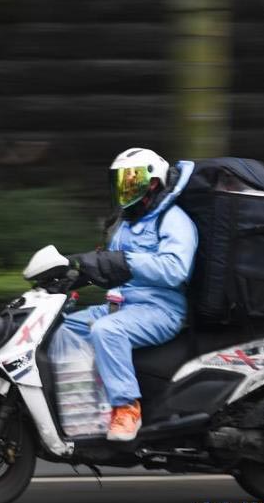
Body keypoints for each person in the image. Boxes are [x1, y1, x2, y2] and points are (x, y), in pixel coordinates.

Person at [64, 148, 198, 441]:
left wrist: (126, 261)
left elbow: (176, 270)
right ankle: (81, 404)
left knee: (107, 331)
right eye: (121, 180)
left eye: (132, 179)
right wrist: (75, 275)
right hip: (121, 306)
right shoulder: (125, 223)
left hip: (161, 310)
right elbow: (111, 267)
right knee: (62, 328)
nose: (124, 186)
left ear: (153, 182)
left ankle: (126, 408)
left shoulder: (174, 220)